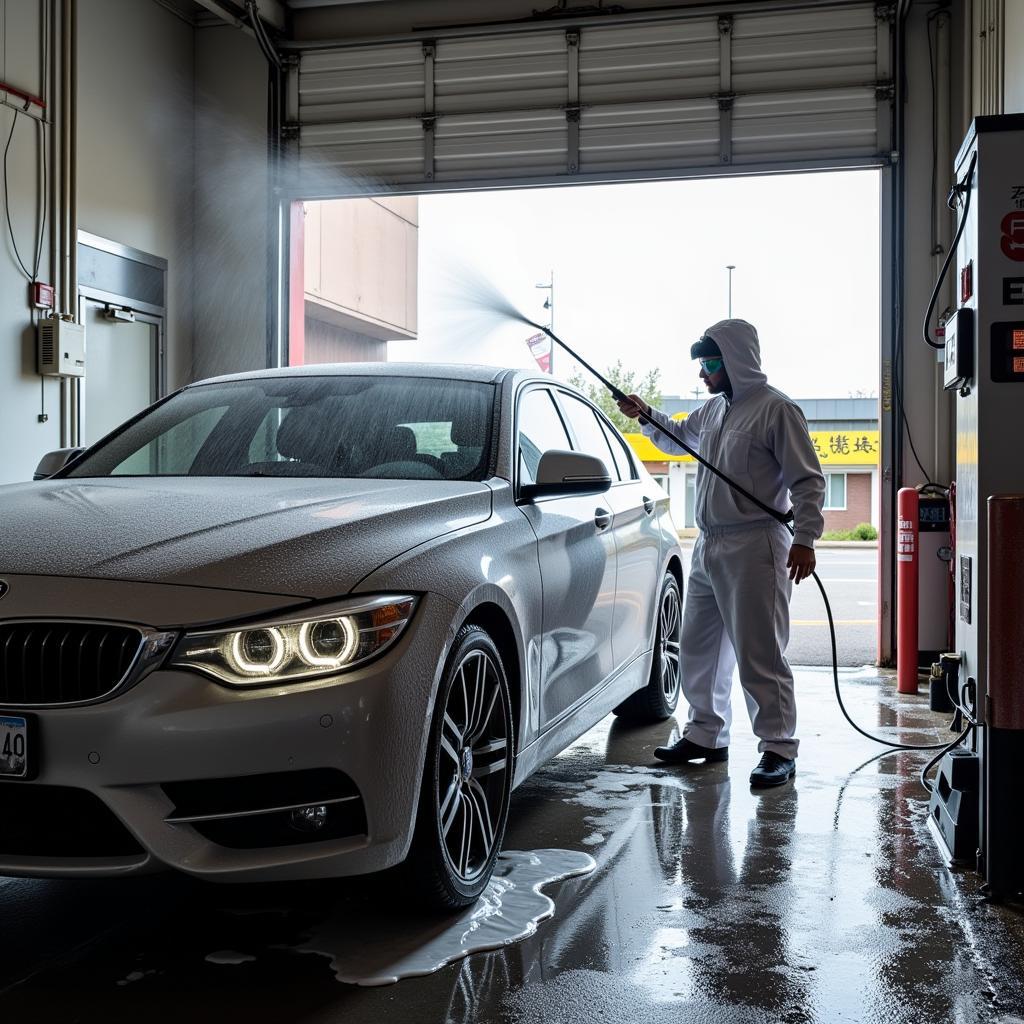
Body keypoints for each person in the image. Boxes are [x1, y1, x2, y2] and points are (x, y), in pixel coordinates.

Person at [617, 319, 825, 787]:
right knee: (699, 647)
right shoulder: (714, 411)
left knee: (760, 652)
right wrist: (644, 413)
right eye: (702, 365)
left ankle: (778, 747)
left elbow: (808, 481)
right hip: (710, 544)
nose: (704, 373)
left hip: (756, 544)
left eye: (710, 363)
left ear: (736, 360)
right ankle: (706, 734)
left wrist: (806, 538)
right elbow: (676, 437)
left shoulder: (776, 411)